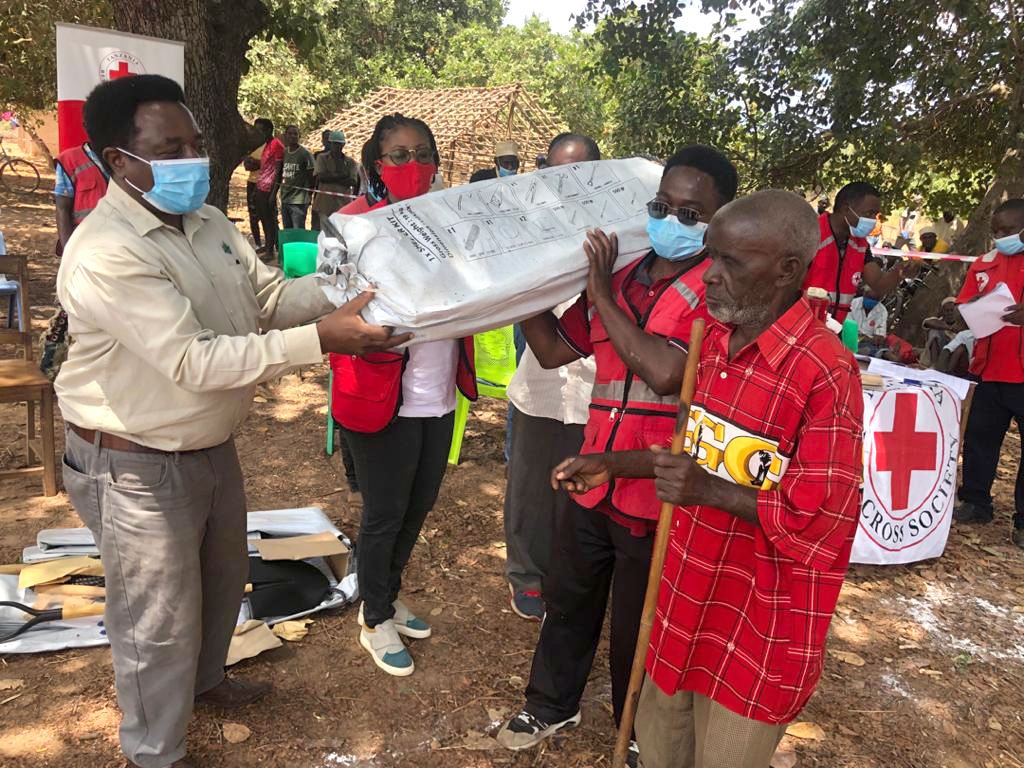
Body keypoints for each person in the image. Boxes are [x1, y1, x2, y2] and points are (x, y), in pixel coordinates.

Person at [56, 74, 407, 768]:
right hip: (132, 459)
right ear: (116, 160)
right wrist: (324, 341)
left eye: (194, 143)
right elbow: (192, 361)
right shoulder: (106, 252)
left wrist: (354, 289)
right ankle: (155, 750)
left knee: (219, 583)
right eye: (169, 148)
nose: (192, 159)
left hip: (208, 444)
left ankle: (206, 680)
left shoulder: (208, 222)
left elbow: (268, 297)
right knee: (155, 617)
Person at [554, 189, 864, 768]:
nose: (710, 277)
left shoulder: (824, 370)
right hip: (680, 599)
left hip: (757, 627)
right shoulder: (713, 342)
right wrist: (616, 464)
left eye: (731, 263)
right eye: (711, 256)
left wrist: (707, 492)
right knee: (660, 748)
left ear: (787, 271)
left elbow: (824, 518)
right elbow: (695, 453)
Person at [497, 146, 738, 766]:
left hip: (656, 487)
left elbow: (664, 372)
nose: (671, 220)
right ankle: (552, 703)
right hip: (593, 471)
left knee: (640, 623)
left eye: (691, 212)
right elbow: (552, 350)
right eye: (662, 206)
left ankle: (636, 730)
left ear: (720, 219)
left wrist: (597, 289)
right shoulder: (628, 277)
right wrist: (519, 285)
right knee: (568, 596)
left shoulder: (719, 293)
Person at [331, 113, 478, 676]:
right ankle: (374, 618)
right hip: (378, 392)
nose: (412, 166)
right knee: (384, 513)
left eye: (423, 154)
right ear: (375, 164)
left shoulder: (451, 225)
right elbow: (332, 310)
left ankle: (385, 597)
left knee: (418, 507)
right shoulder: (346, 226)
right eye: (398, 155)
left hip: (437, 392)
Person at [503, 133, 602, 621]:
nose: (567, 185)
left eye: (579, 174)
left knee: (583, 492)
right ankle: (526, 577)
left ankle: (570, 577)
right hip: (539, 391)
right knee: (530, 491)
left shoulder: (616, 239)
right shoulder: (529, 235)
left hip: (595, 392)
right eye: (556, 173)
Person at [954, 198, 1024, 548]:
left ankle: (1022, 522)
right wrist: (958, 309)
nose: (1001, 237)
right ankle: (976, 501)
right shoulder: (984, 264)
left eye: (1009, 231)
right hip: (989, 367)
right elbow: (964, 302)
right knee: (980, 438)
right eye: (996, 231)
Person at [803, 182, 918, 321]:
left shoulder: (860, 244)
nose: (873, 220)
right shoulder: (811, 233)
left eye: (875, 215)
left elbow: (878, 283)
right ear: (846, 209)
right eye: (869, 213)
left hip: (833, 328)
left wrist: (900, 272)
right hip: (801, 324)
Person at [44, 141, 110, 378]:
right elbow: (62, 208)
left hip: (119, 249)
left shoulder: (126, 155)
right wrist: (70, 254)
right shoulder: (70, 161)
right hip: (85, 250)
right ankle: (57, 364)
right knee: (74, 315)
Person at [312, 129, 359, 230]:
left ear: (343, 145)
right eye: (334, 144)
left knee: (340, 233)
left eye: (339, 144)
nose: (337, 146)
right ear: (331, 143)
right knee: (321, 233)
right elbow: (321, 177)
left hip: (342, 205)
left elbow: (353, 182)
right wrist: (342, 176)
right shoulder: (322, 158)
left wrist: (331, 176)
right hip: (324, 204)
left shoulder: (350, 162)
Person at [251, 117, 284, 258]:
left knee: (270, 220)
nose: (258, 134)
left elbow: (278, 170)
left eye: (260, 131)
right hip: (260, 186)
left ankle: (271, 250)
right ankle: (268, 246)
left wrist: (273, 192)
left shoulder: (276, 145)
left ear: (269, 130)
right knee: (263, 218)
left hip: (268, 188)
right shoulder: (267, 145)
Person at [279, 124, 314, 229]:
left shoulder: (305, 154)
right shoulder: (285, 152)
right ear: (285, 135)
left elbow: (312, 175)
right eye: (290, 133)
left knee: (298, 230)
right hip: (285, 198)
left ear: (299, 136)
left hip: (299, 200)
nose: (293, 136)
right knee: (287, 229)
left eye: (295, 134)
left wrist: (308, 195)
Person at [922, 297, 962, 364]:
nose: (950, 313)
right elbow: (927, 322)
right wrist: (949, 328)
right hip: (937, 353)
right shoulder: (937, 321)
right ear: (942, 311)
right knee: (933, 331)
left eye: (952, 310)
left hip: (953, 358)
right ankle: (934, 365)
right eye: (947, 310)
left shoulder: (962, 324)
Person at [241, 135, 265, 248]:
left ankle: (272, 243)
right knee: (253, 215)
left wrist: (256, 162)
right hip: (251, 183)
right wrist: (256, 163)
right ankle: (257, 243)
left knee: (266, 214)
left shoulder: (269, 147)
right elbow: (247, 166)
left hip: (265, 183)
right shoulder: (251, 148)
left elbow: (268, 165)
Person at [849, 289, 888, 356]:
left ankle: (884, 353)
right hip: (850, 337)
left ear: (880, 299)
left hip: (867, 342)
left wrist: (878, 338)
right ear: (864, 294)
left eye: (875, 299)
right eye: (870, 297)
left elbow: (879, 334)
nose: (871, 301)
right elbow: (847, 326)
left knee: (876, 347)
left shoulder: (882, 311)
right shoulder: (853, 303)